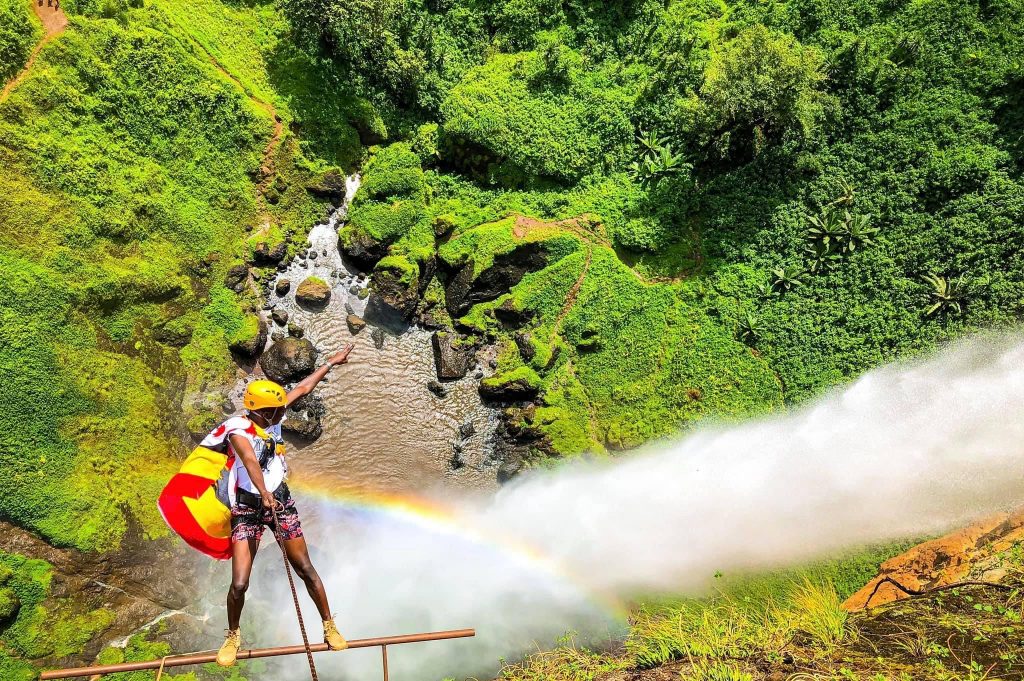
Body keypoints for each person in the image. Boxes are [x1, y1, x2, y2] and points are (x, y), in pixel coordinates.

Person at [205, 343, 355, 667]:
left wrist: (331, 362)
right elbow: (249, 460)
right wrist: (263, 492)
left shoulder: (271, 413)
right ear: (257, 411)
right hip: (248, 507)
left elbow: (301, 388)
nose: (280, 415)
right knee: (240, 582)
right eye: (274, 412)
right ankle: (232, 634)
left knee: (305, 567)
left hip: (280, 500)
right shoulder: (237, 431)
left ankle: (329, 626)